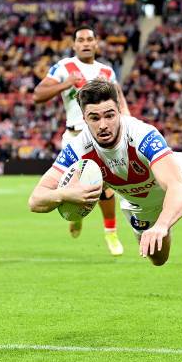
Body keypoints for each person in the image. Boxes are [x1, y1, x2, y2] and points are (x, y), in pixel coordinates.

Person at [29, 79, 182, 265]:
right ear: (84, 118)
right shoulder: (77, 149)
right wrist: (64, 194)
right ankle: (164, 223)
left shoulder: (142, 135)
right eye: (94, 118)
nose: (103, 125)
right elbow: (35, 200)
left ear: (118, 111)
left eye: (109, 115)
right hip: (139, 204)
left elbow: (177, 188)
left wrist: (161, 225)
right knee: (158, 258)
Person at [33, 25, 129, 256]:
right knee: (73, 186)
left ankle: (111, 232)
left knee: (105, 186)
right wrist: (66, 83)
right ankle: (76, 216)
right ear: (74, 45)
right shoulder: (64, 67)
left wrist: (127, 121)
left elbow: (119, 100)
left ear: (96, 44)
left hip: (103, 137)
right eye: (81, 40)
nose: (85, 43)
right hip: (76, 136)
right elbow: (38, 95)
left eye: (90, 39)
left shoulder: (106, 71)